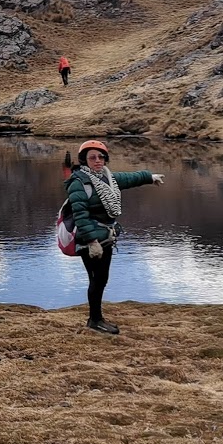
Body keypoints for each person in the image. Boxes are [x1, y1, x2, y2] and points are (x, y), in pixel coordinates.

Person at [64, 139, 163, 335]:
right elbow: (80, 216)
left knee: (100, 279)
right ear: (84, 160)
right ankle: (95, 320)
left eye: (101, 157)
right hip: (91, 239)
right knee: (97, 279)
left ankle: (96, 318)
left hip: (105, 237)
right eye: (92, 157)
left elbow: (129, 178)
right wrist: (92, 242)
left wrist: (149, 177)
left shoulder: (107, 178)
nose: (98, 160)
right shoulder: (79, 183)